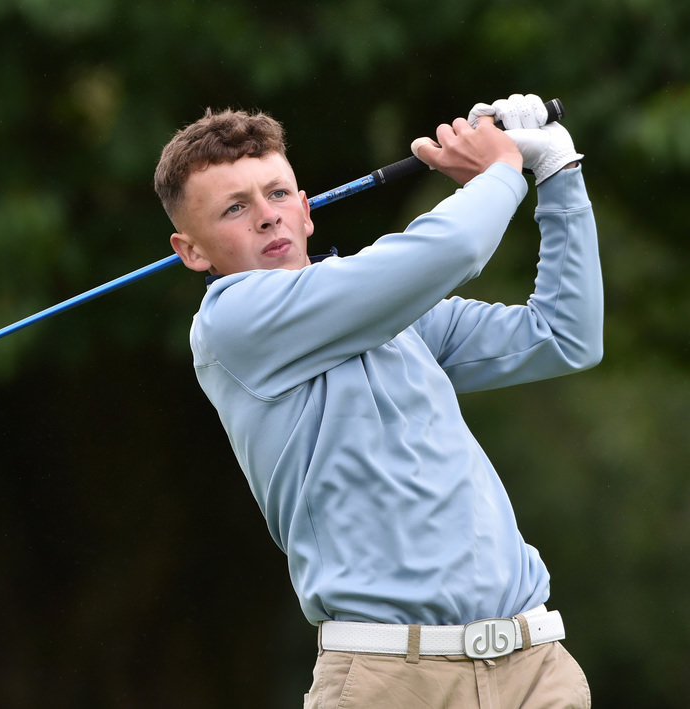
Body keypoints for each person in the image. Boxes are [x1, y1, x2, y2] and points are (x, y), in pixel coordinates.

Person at [153, 93, 601, 709]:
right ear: (192, 251)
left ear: (307, 212)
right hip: (390, 677)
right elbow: (447, 253)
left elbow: (565, 337)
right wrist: (500, 170)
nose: (266, 217)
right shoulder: (234, 322)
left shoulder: (396, 317)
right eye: (235, 207)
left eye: (278, 194)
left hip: (534, 666)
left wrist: (555, 170)